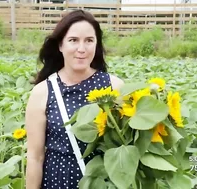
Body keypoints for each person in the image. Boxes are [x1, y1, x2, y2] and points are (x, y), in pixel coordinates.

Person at [25, 9, 124, 189]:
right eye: (73, 40)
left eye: (89, 41)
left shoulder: (114, 87)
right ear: (60, 45)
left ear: (97, 45)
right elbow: (35, 157)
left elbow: (125, 148)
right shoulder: (43, 92)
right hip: (56, 182)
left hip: (102, 183)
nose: (81, 49)